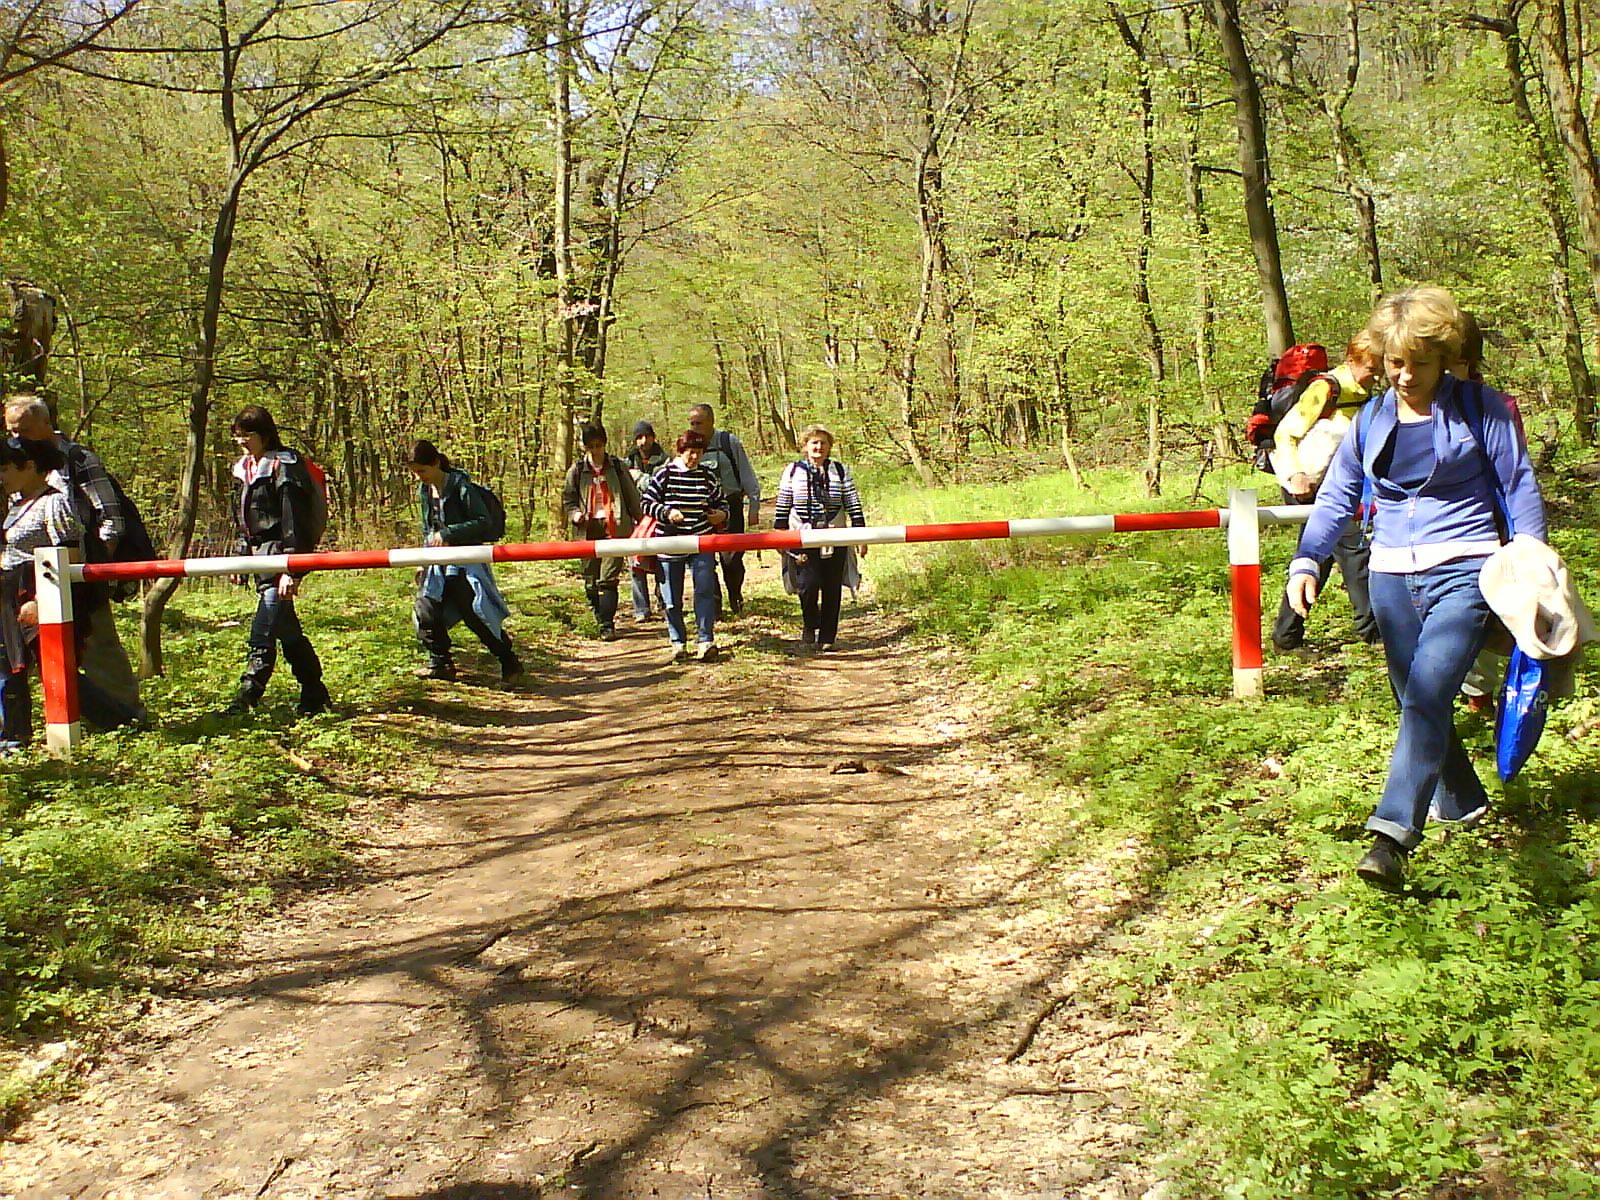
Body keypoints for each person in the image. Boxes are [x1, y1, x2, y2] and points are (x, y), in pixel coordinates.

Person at [1286, 286, 1545, 892]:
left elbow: (1518, 484)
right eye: (1394, 362)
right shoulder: (1372, 417)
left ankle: (1392, 835)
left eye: (1418, 364)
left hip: (1468, 567)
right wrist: (1307, 561)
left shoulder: (1482, 409)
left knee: (1429, 693)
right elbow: (1338, 496)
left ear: (1445, 357)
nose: (1404, 376)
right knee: (1414, 700)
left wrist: (1531, 555)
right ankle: (1459, 801)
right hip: (1391, 576)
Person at [4, 393, 144, 722]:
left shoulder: (77, 458)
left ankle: (130, 716)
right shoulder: (18, 466)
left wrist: (88, 575)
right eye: (11, 430)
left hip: (81, 567)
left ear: (45, 422)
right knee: (53, 653)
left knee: (99, 646)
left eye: (22, 429)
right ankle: (88, 718)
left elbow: (110, 520)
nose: (16, 437)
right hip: (34, 580)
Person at [1268, 334, 1381, 651]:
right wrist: (1295, 474)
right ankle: (1373, 632)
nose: (1376, 376)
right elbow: (1285, 433)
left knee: (1322, 555)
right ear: (1352, 361)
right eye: (1371, 368)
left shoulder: (1366, 393)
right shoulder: (1326, 388)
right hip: (1306, 484)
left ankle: (1286, 636)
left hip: (1337, 483)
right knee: (1354, 550)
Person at [220, 406, 331, 717]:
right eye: (237, 435)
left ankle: (248, 695)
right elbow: (245, 520)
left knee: (264, 625)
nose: (241, 441)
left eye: (247, 434)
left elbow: (293, 520)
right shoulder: (243, 469)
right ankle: (315, 693)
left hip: (280, 556)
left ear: (265, 434)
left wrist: (292, 569)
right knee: (287, 629)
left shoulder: (285, 465)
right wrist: (241, 560)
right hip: (258, 558)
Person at [406, 440, 522, 683]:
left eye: (422, 471)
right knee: (425, 607)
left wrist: (449, 534)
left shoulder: (461, 486)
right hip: (436, 559)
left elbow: (483, 521)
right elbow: (428, 527)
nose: (419, 477)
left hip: (465, 558)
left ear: (436, 463)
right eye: (415, 472)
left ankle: (507, 659)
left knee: (473, 611)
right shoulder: (424, 491)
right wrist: (422, 559)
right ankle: (440, 662)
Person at [773, 425, 867, 652]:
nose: (819, 447)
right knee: (807, 584)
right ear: (805, 446)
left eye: (823, 443)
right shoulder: (793, 470)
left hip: (834, 532)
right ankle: (809, 623)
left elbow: (852, 501)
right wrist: (779, 531)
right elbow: (784, 501)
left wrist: (860, 532)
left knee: (832, 586)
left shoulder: (840, 470)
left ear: (829, 447)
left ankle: (828, 637)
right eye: (814, 442)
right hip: (802, 534)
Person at [639, 429, 728, 662]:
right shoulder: (664, 474)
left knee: (705, 590)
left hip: (701, 540)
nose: (695, 458)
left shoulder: (707, 476)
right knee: (671, 598)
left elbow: (722, 503)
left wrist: (720, 515)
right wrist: (667, 512)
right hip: (669, 542)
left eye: (699, 453)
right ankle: (678, 642)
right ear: (680, 452)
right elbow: (646, 502)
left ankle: (706, 640)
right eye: (690, 453)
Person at [561, 423, 643, 641]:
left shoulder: (617, 466)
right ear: (584, 447)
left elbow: (631, 495)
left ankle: (607, 625)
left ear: (604, 444)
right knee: (591, 578)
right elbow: (568, 500)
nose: (595, 451)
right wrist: (575, 514)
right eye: (590, 447)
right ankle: (598, 617)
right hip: (587, 529)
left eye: (598, 446)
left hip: (614, 525)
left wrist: (641, 521)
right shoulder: (577, 471)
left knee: (608, 578)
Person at [686, 404, 759, 616]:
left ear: (711, 422)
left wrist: (754, 506)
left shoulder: (728, 442)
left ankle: (735, 595)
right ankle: (714, 606)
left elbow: (746, 474)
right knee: (705, 560)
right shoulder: (689, 447)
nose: (695, 428)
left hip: (731, 506)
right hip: (701, 511)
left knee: (731, 558)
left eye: (699, 423)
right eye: (692, 423)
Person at [624, 420, 667, 621]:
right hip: (635, 518)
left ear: (653, 437)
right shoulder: (626, 462)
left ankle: (664, 601)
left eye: (646, 436)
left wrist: (638, 477)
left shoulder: (665, 460)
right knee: (635, 563)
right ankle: (641, 609)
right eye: (639, 437)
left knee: (661, 561)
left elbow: (660, 484)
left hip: (658, 517)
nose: (643, 441)